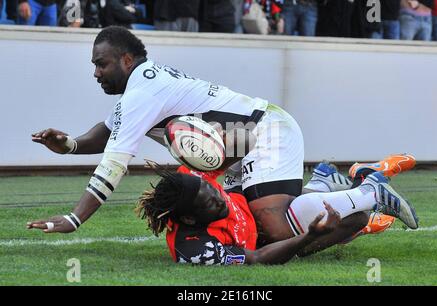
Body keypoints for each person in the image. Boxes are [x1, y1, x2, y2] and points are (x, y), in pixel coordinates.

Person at [27, 25, 304, 241]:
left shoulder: (143, 93)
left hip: (266, 131)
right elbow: (108, 130)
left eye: (101, 64)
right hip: (240, 144)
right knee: (251, 236)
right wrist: (71, 145)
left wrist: (74, 218)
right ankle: (322, 192)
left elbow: (113, 164)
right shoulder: (141, 86)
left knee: (277, 232)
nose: (96, 73)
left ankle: (345, 203)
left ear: (126, 60)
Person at [135, 157, 418, 265]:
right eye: (209, 203)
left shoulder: (191, 179)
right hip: (262, 231)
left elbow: (229, 149)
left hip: (254, 198)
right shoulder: (196, 248)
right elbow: (256, 257)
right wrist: (308, 237)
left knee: (277, 217)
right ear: (188, 218)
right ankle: (328, 184)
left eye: (212, 189)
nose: (218, 198)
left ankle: (369, 191)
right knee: (352, 219)